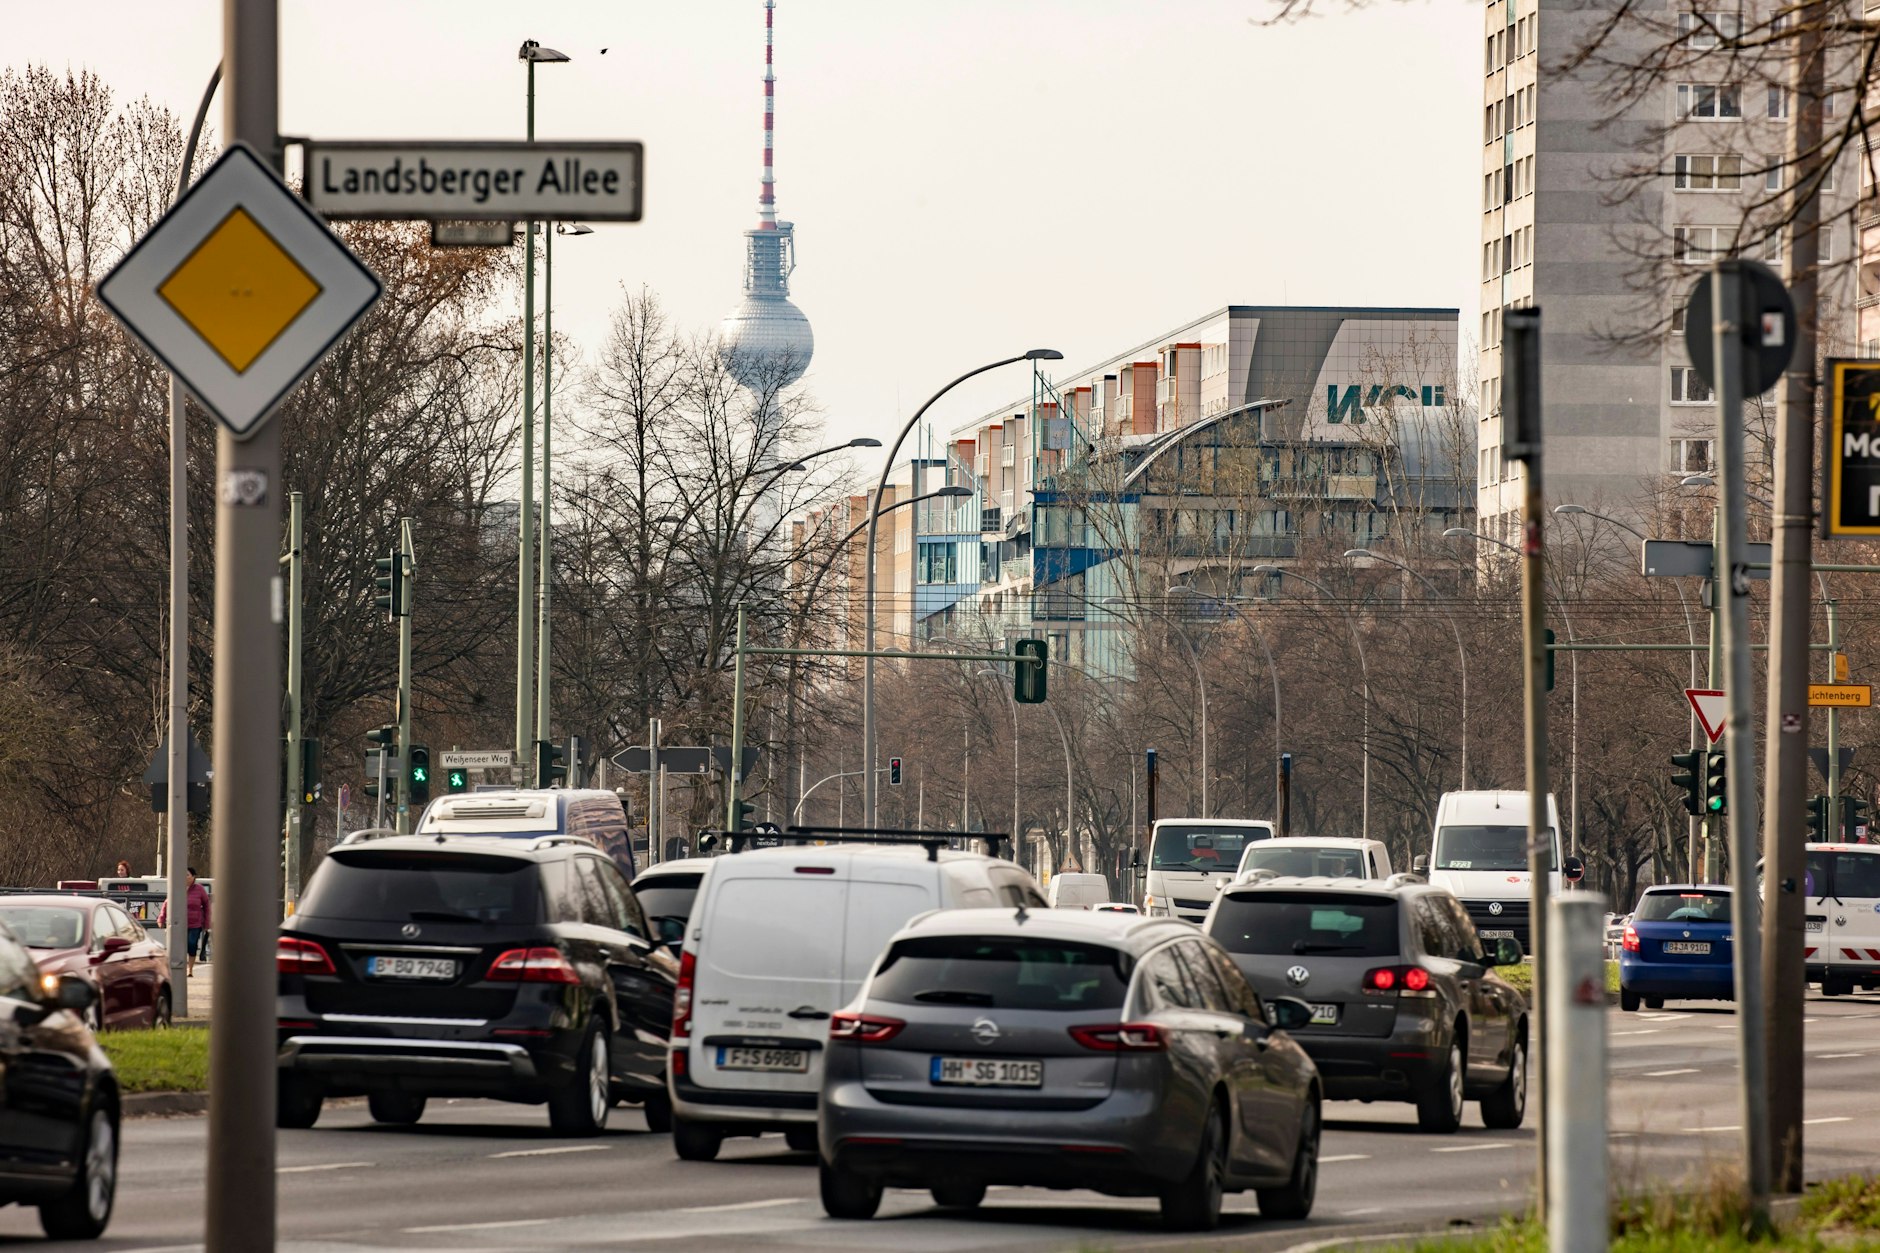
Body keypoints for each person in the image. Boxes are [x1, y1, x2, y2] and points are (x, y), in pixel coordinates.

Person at [157, 867, 212, 977]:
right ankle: (176, 968)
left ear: (193, 877)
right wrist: (161, 918)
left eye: (187, 875)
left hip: (195, 923)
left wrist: (207, 923)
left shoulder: (199, 889)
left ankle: (190, 969)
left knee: (192, 945)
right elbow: (167, 903)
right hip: (179, 922)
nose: (185, 877)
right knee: (178, 946)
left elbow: (206, 905)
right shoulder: (177, 888)